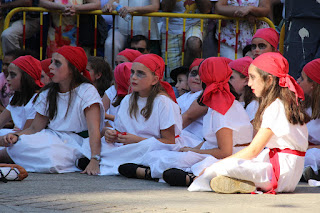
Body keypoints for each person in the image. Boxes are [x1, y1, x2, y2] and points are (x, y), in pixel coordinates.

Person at [118, 57, 253, 185]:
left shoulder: (222, 109)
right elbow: (210, 141)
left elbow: (225, 152)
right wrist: (192, 149)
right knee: (162, 155)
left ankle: (147, 172)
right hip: (213, 151)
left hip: (232, 156)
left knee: (174, 159)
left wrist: (193, 152)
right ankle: (174, 174)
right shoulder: (218, 103)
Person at [188, 52, 309, 194]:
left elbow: (253, 150)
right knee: (221, 165)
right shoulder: (284, 103)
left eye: (252, 77)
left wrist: (217, 165)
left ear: (269, 80)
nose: (249, 83)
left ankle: (201, 179)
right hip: (289, 171)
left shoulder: (276, 106)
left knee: (216, 167)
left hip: (279, 173)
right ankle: (238, 182)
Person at [0, 46, 105, 176]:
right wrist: (16, 136)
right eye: (51, 62)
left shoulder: (87, 91)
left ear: (72, 69)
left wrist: (95, 160)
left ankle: (81, 160)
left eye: (57, 63)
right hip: (51, 137)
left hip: (78, 142)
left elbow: (94, 130)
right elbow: (34, 129)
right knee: (20, 143)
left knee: (51, 154)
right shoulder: (48, 92)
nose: (50, 67)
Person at [80, 54, 181, 176]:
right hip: (129, 147)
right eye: (132, 72)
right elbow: (119, 130)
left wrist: (137, 140)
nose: (133, 77)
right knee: (87, 145)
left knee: (159, 157)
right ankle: (135, 169)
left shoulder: (163, 102)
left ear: (155, 79)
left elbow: (169, 142)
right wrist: (111, 135)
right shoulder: (127, 99)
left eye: (140, 73)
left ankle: (135, 169)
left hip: (151, 147)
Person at [161, 0, 213, 81]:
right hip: (171, 28)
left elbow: (206, 9)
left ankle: (189, 79)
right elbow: (165, 8)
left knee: (194, 43)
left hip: (196, 24)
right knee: (172, 77)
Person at [102, 0, 160, 66]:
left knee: (144, 56)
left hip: (144, 28)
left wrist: (133, 9)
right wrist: (109, 5)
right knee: (110, 44)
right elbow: (113, 2)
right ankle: (113, 73)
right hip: (121, 27)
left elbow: (155, 6)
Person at [0, 55, 42, 145]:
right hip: (17, 136)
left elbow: (26, 133)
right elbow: (1, 120)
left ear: (26, 77)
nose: (7, 79)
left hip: (28, 139)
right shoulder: (16, 97)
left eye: (13, 75)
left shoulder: (38, 99)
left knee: (20, 144)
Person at [102, 49, 141, 127]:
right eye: (116, 63)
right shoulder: (112, 90)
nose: (118, 66)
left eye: (122, 62)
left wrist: (110, 117)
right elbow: (100, 111)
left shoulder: (141, 91)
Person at [297, 59, 320, 182]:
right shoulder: (304, 104)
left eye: (302, 78)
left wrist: (309, 148)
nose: (298, 81)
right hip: (304, 149)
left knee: (313, 155)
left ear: (313, 85)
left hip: (313, 152)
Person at [104, 62, 132, 128]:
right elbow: (100, 111)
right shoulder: (112, 90)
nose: (114, 83)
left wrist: (112, 118)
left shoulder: (135, 97)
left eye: (116, 81)